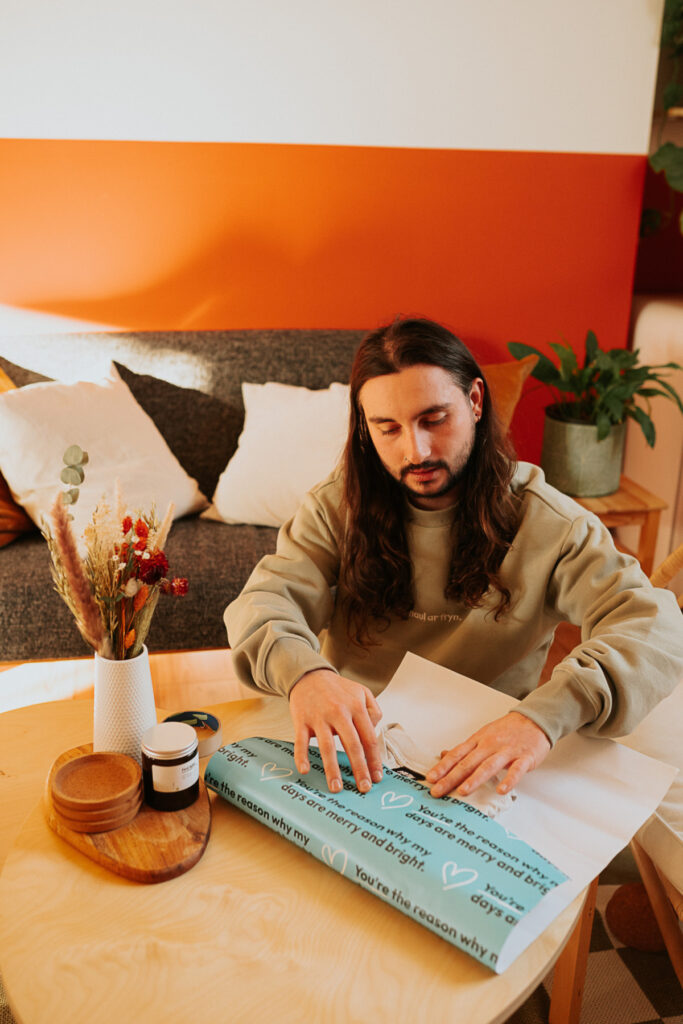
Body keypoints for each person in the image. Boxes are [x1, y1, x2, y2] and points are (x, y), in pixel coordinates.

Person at [225, 317, 683, 800]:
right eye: (388, 428)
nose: (415, 449)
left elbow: (653, 625)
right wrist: (308, 675)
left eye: (433, 419)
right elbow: (264, 602)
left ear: (475, 401)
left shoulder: (551, 522)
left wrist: (542, 718)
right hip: (357, 747)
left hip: (491, 752)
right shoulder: (333, 506)